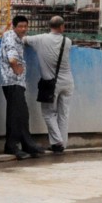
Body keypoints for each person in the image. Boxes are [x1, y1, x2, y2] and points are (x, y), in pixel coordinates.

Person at [25, 15, 74, 153]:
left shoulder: (40, 39)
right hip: (68, 81)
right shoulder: (67, 41)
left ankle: (57, 141)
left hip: (51, 83)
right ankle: (61, 144)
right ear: (62, 27)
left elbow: (23, 40)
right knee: (63, 114)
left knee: (48, 113)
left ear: (49, 26)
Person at [0, 15, 42, 159]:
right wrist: (15, 66)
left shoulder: (18, 38)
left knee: (21, 114)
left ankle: (27, 144)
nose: (23, 29)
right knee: (15, 115)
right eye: (20, 26)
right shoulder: (10, 37)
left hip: (18, 82)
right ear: (14, 26)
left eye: (25, 26)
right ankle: (11, 146)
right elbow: (11, 55)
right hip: (12, 81)